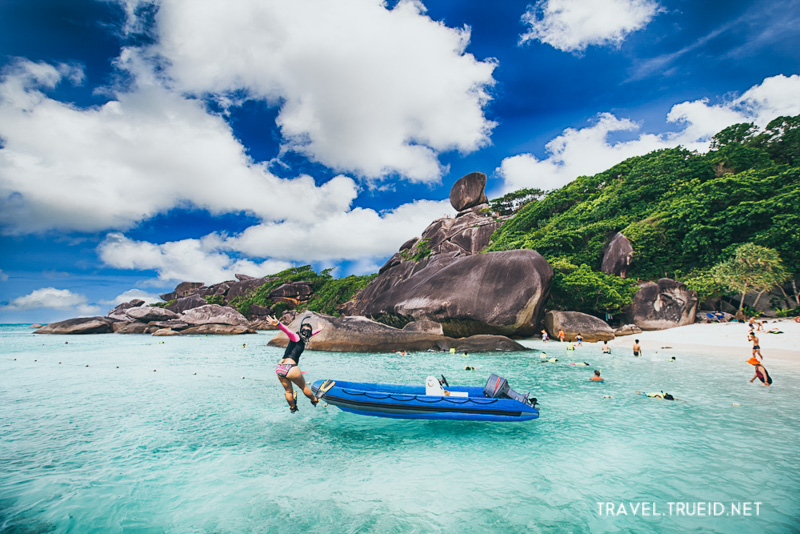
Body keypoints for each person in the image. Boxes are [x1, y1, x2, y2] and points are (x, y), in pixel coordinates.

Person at [266, 315, 325, 413]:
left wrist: (319, 330)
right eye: (305, 329)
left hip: (280, 368)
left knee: (288, 391)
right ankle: (314, 400)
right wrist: (277, 323)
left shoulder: (300, 338)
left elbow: (309, 334)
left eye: (307, 330)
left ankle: (292, 407)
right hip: (291, 368)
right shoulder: (296, 337)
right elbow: (287, 331)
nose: (306, 331)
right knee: (303, 387)